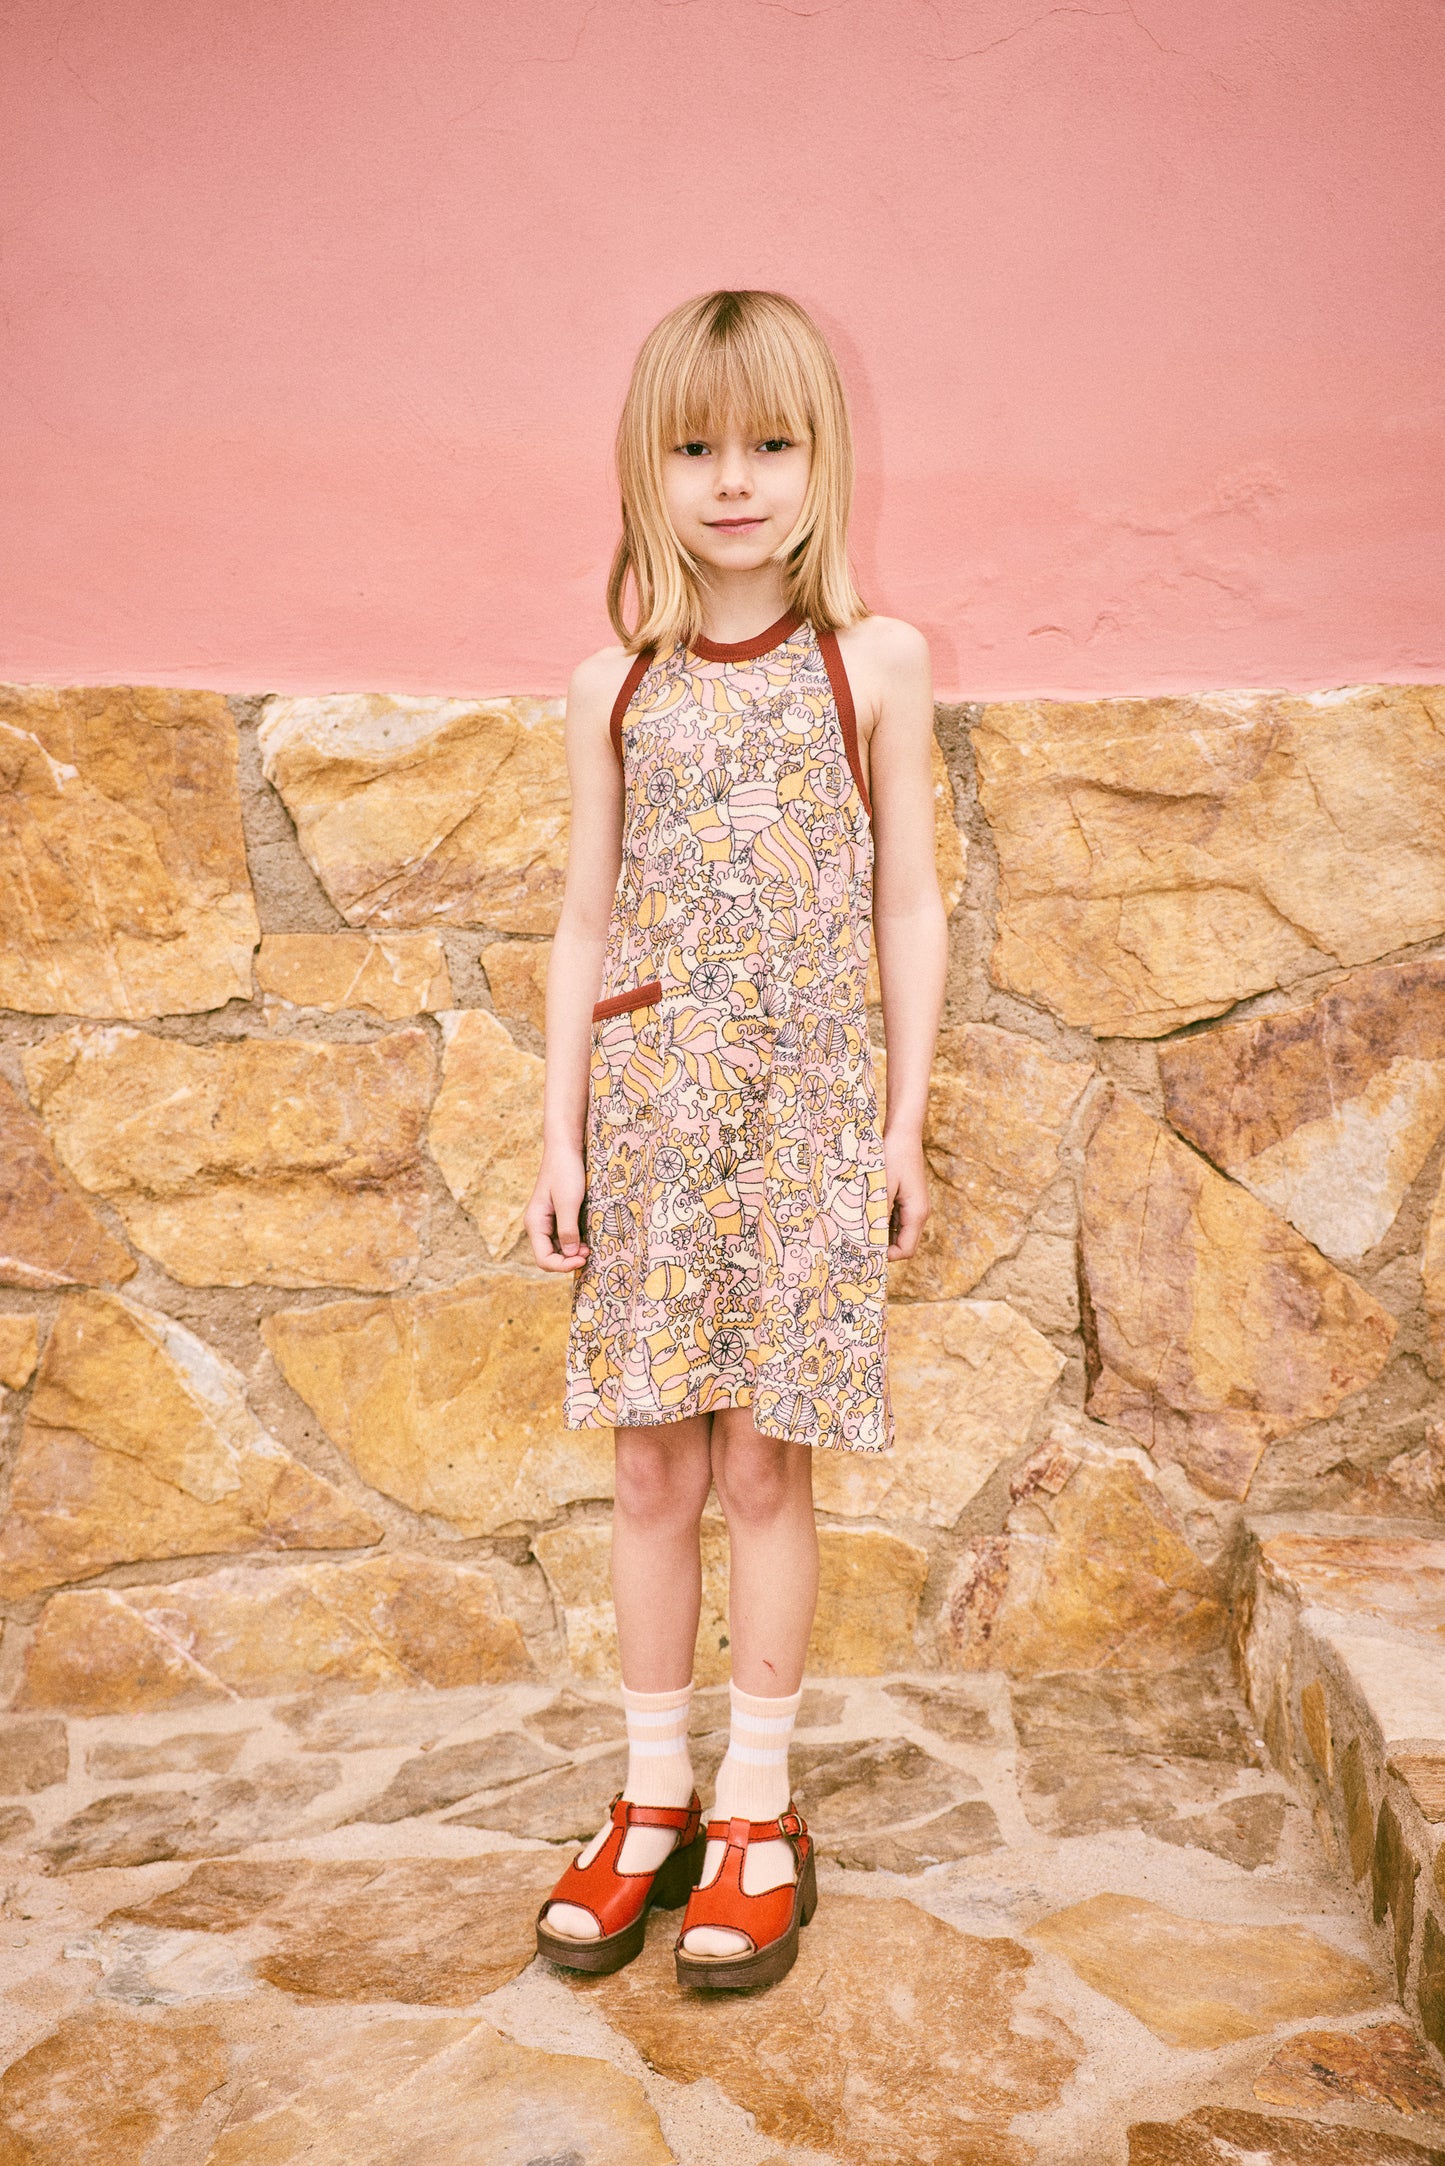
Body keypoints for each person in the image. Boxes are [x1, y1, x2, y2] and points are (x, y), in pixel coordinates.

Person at [524, 288, 946, 1989]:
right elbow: (582, 917)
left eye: (770, 443)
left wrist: (902, 1122)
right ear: (649, 466)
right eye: (697, 447)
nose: (734, 480)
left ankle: (758, 1810)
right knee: (651, 1466)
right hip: (652, 1123)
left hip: (806, 1123)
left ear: (818, 457)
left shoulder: (876, 662)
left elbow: (906, 899)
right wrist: (560, 1136)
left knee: (767, 1464)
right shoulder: (613, 686)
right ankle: (651, 1796)